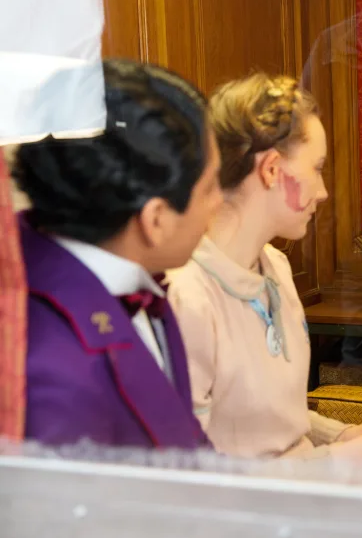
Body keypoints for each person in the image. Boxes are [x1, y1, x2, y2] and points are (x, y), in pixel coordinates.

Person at [167, 73, 362, 466]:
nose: (322, 192)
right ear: (271, 169)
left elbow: (269, 419)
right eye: (317, 168)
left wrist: (342, 434)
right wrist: (334, 462)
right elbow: (195, 475)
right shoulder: (186, 296)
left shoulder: (276, 266)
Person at [13, 59, 223, 448]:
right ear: (156, 219)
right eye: (210, 187)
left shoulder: (138, 285)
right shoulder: (53, 370)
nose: (219, 202)